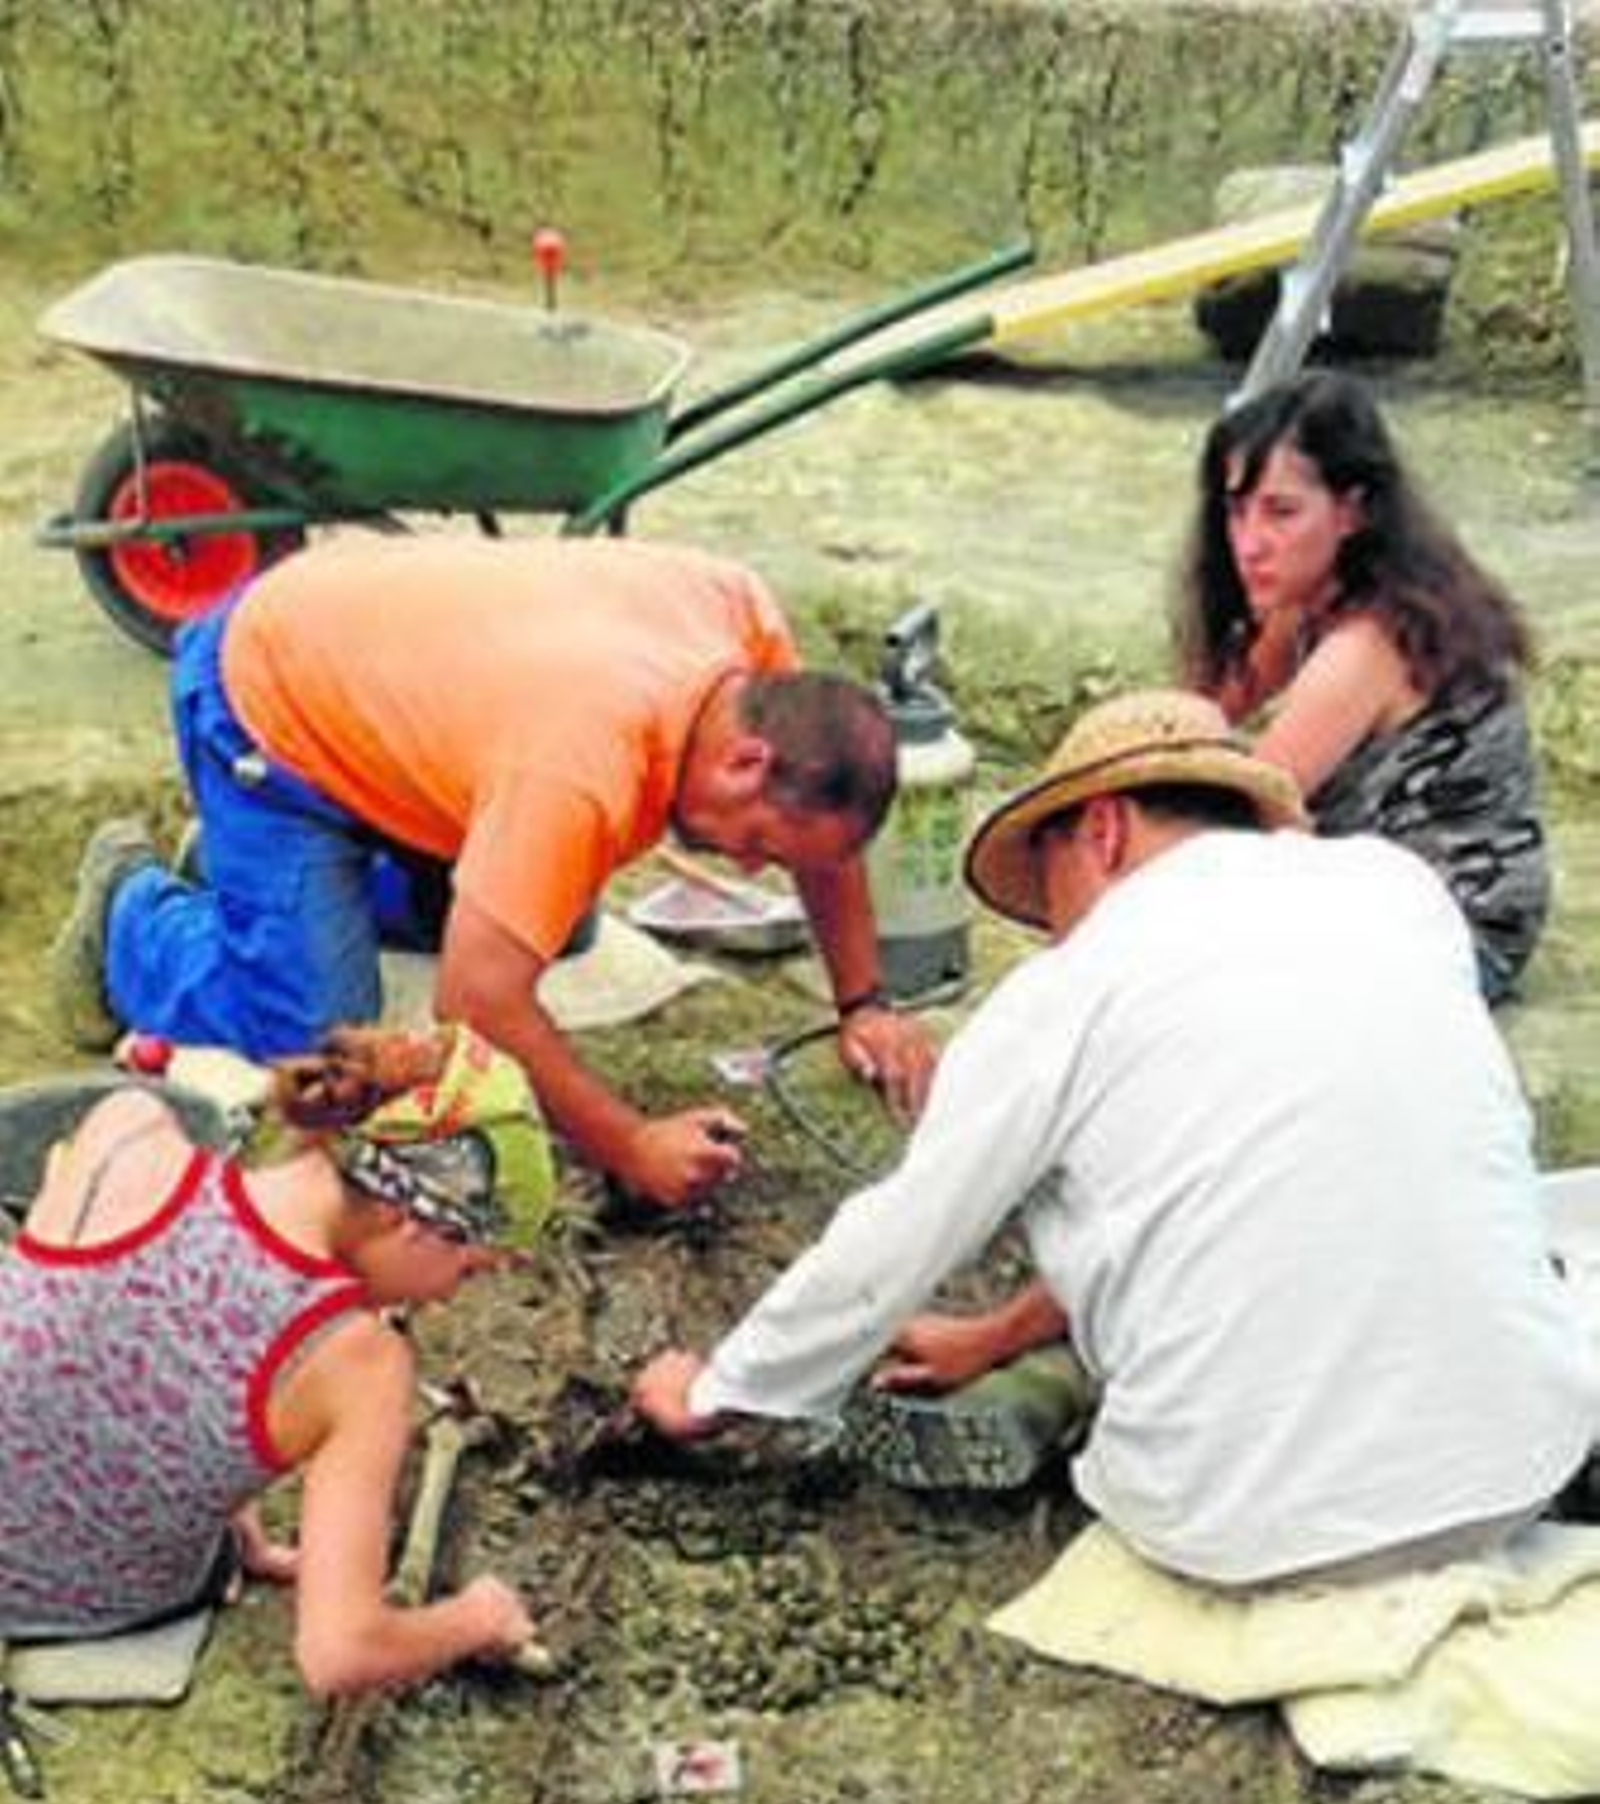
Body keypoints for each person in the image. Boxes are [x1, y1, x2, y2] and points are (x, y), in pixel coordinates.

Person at [632, 691, 1599, 1590]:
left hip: (1244, 1530)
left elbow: (895, 1239)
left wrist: (720, 1390)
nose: (1056, 930)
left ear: (1102, 830)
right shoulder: (1397, 891)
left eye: (1050, 892)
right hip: (1516, 1470)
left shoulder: (1069, 988)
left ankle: (1071, 1387)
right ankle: (1056, 1365)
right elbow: (1271, 1172)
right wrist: (992, 1336)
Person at [50, 534, 936, 1211]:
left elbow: (825, 842)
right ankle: (132, 910)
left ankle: (258, 882)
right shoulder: (580, 768)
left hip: (391, 684)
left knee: (557, 923)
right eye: (760, 845)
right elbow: (475, 1003)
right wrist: (629, 1144)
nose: (747, 865)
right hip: (266, 703)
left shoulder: (746, 632)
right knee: (321, 1041)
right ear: (746, 763)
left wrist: (864, 1001)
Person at [0, 1022, 549, 1693]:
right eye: (468, 1270)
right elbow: (340, 1655)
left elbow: (67, 1336)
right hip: (70, 1593)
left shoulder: (129, 1129)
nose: (446, 1296)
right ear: (415, 1222)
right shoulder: (358, 1361)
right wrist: (477, 1618)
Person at [1176, 370, 1548, 1003]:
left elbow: (1243, 812)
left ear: (1351, 511)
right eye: (1235, 511)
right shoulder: (1307, 601)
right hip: (1377, 900)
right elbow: (1190, 721)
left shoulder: (1367, 644)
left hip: (1454, 934)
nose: (1249, 544)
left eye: (1280, 512)